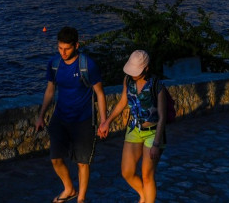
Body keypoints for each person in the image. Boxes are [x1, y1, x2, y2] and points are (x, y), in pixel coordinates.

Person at [36, 26, 107, 203]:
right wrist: (41, 115)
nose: (63, 52)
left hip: (83, 120)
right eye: (60, 48)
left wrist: (104, 121)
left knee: (82, 162)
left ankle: (81, 198)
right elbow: (50, 90)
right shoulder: (54, 64)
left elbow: (99, 93)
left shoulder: (87, 65)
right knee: (56, 159)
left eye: (67, 48)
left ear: (76, 45)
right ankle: (69, 188)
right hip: (60, 118)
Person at [97, 50, 166, 203]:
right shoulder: (127, 80)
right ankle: (144, 195)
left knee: (147, 175)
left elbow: (162, 117)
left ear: (146, 68)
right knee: (127, 172)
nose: (133, 74)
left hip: (153, 133)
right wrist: (107, 121)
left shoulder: (156, 85)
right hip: (134, 129)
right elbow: (123, 101)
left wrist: (156, 144)